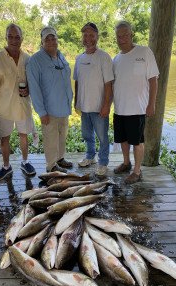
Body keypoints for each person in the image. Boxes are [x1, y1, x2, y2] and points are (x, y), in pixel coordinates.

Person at [0, 23, 36, 181]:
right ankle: (6, 167)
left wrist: (29, 89)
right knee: (4, 138)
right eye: (10, 37)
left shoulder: (28, 59)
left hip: (23, 106)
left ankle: (25, 162)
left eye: (17, 37)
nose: (14, 40)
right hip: (4, 107)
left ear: (22, 38)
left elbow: (33, 82)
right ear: (6, 38)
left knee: (24, 135)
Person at [113, 21, 159, 184]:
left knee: (137, 141)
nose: (122, 38)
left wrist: (151, 104)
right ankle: (126, 163)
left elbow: (153, 80)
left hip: (138, 108)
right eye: (119, 36)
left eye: (125, 34)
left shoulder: (144, 52)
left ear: (131, 34)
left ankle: (137, 171)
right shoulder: (116, 59)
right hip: (119, 108)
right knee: (123, 140)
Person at [26, 26, 73, 173]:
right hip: (49, 109)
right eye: (48, 39)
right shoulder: (35, 61)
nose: (52, 41)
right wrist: (41, 112)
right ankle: (52, 166)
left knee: (62, 136)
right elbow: (34, 88)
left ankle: (60, 159)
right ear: (42, 41)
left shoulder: (61, 56)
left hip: (64, 107)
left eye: (53, 38)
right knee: (50, 139)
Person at [73, 22, 114, 176]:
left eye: (91, 35)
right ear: (82, 38)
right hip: (84, 106)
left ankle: (103, 162)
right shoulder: (79, 58)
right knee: (86, 134)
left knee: (103, 137)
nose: (88, 38)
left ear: (97, 36)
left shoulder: (104, 57)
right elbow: (77, 82)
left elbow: (109, 84)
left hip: (99, 107)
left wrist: (106, 105)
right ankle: (90, 157)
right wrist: (76, 102)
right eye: (85, 35)